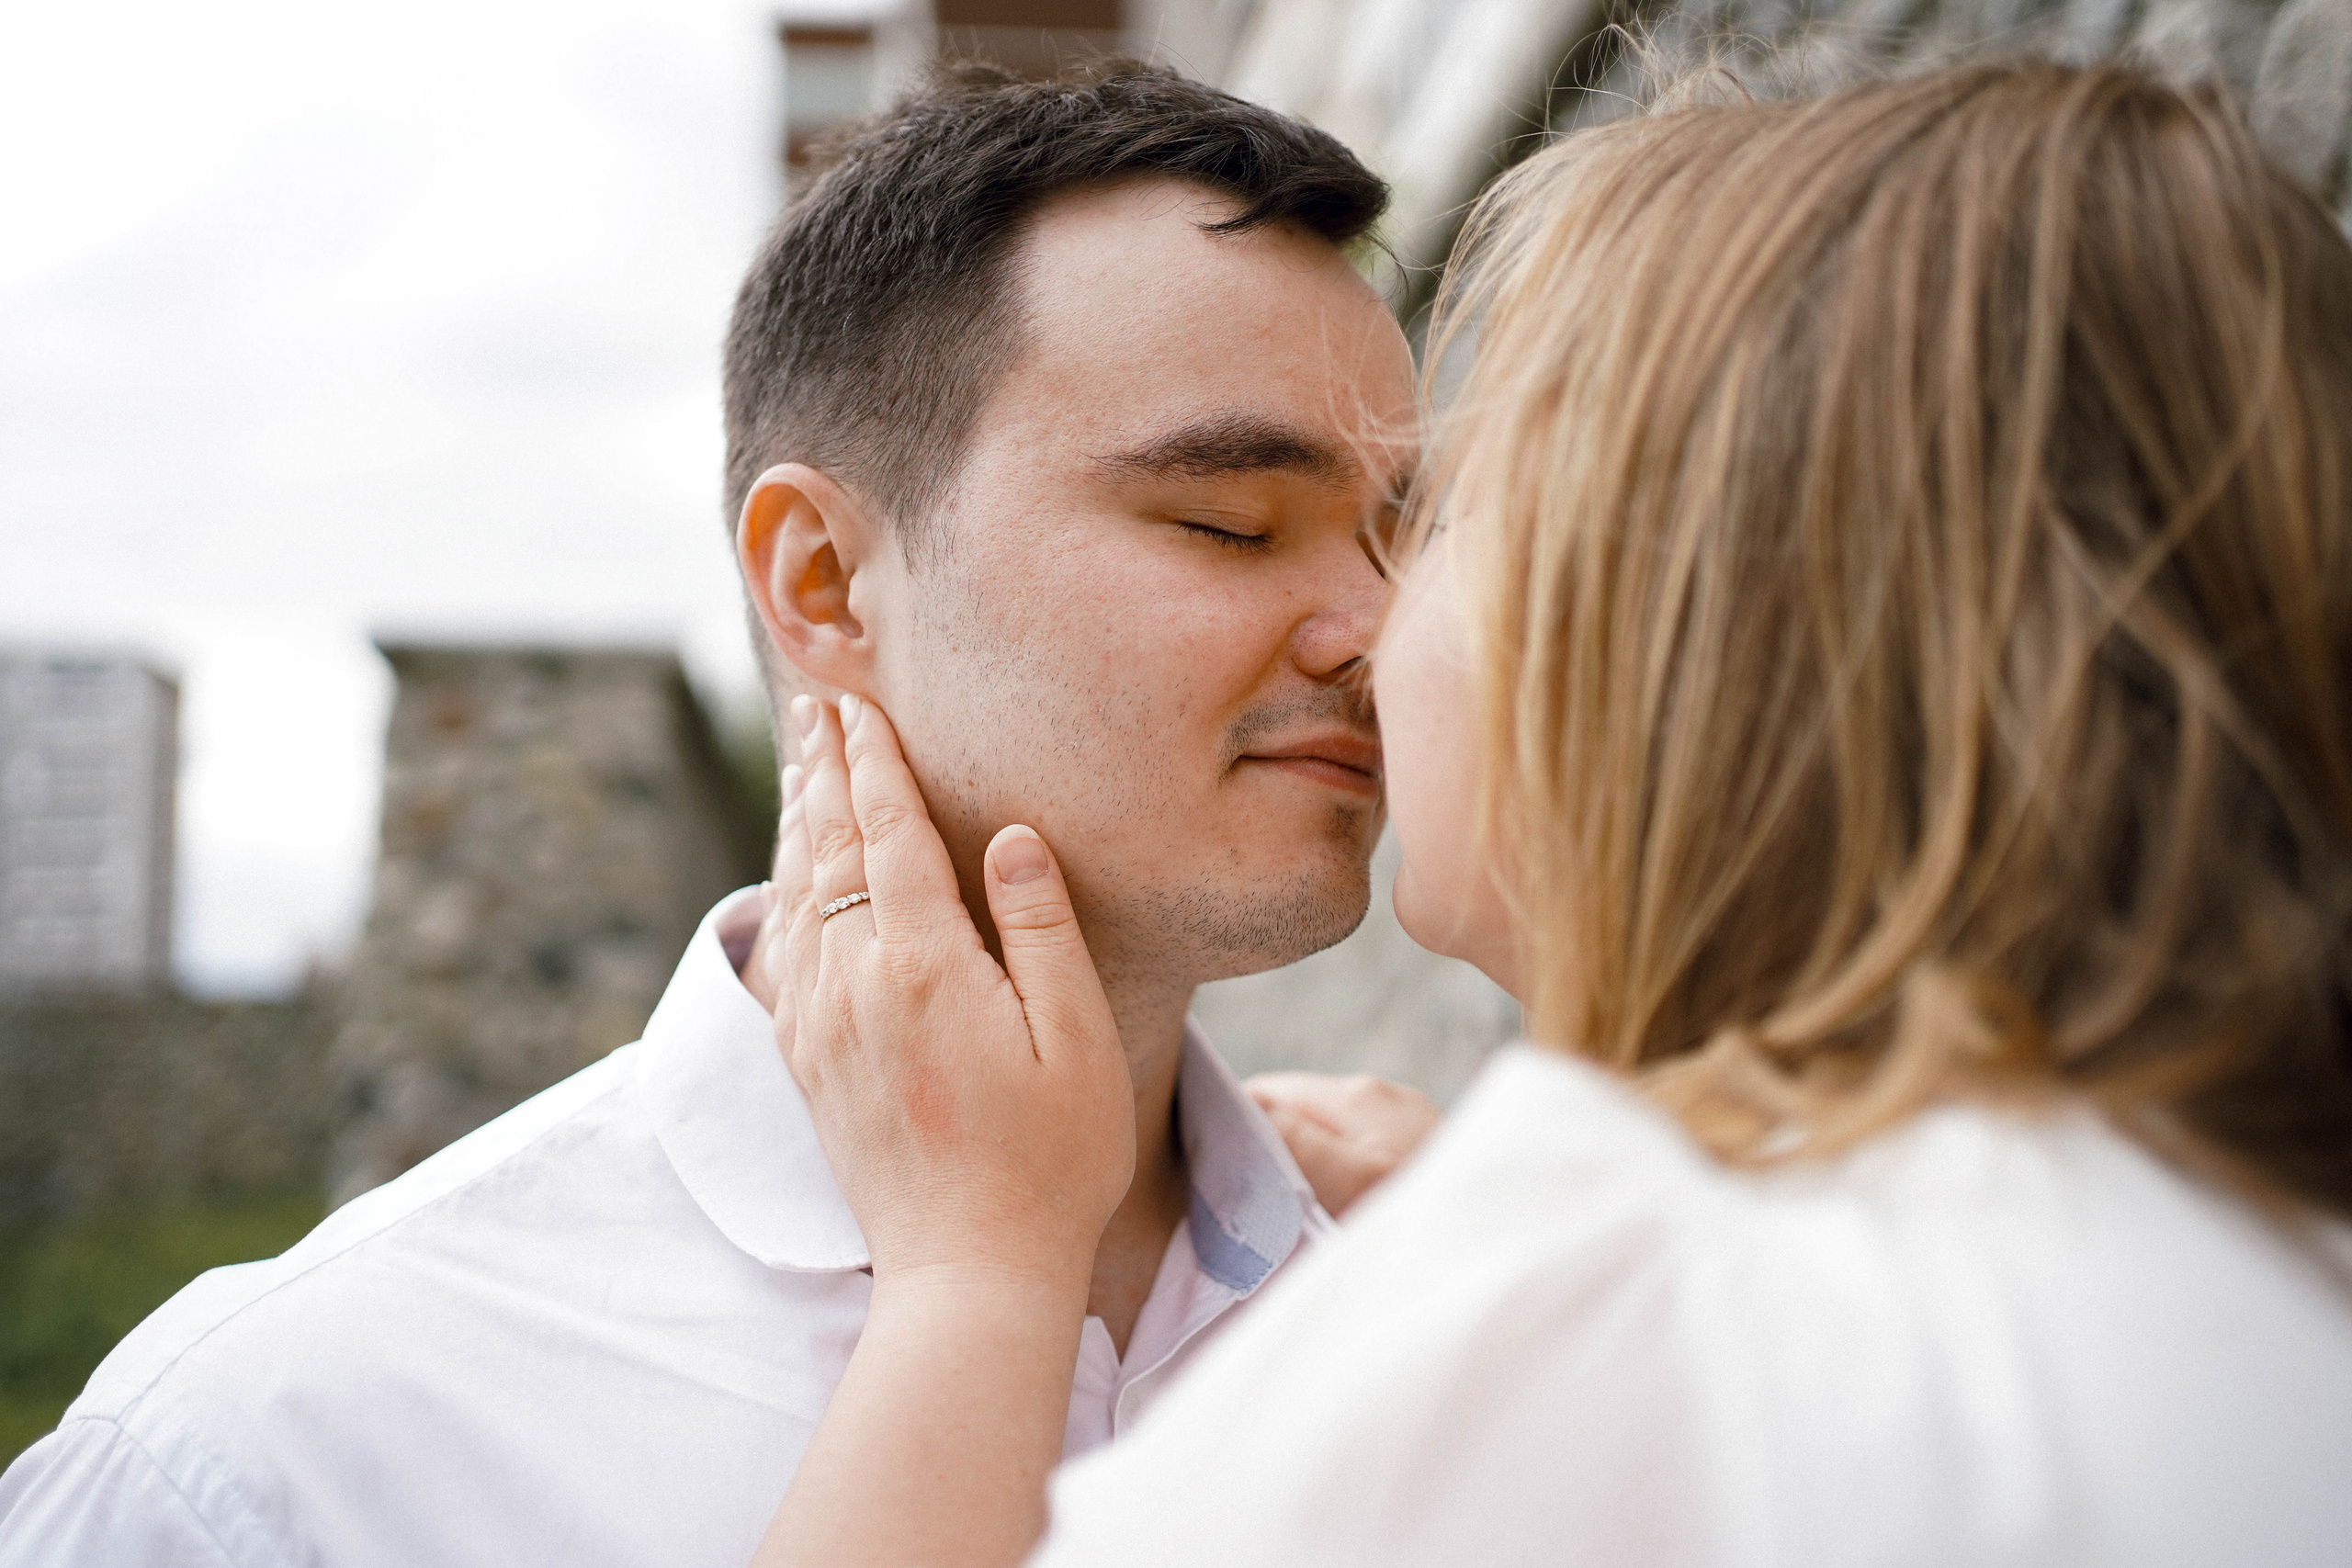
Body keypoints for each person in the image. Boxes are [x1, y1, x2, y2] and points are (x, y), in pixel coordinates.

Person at [745, 60, 2352, 1568]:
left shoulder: (1610, 1309)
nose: (1374, 627)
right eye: (1232, 527)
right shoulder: (2253, 1260)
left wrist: (980, 1278)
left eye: (1435, 523)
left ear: (1716, 629)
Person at [0, 62, 1423, 1566]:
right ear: (821, 580)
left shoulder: (1451, 1306)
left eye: (1402, 541)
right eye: (1229, 522)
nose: (1377, 629)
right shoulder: (267, 1463)